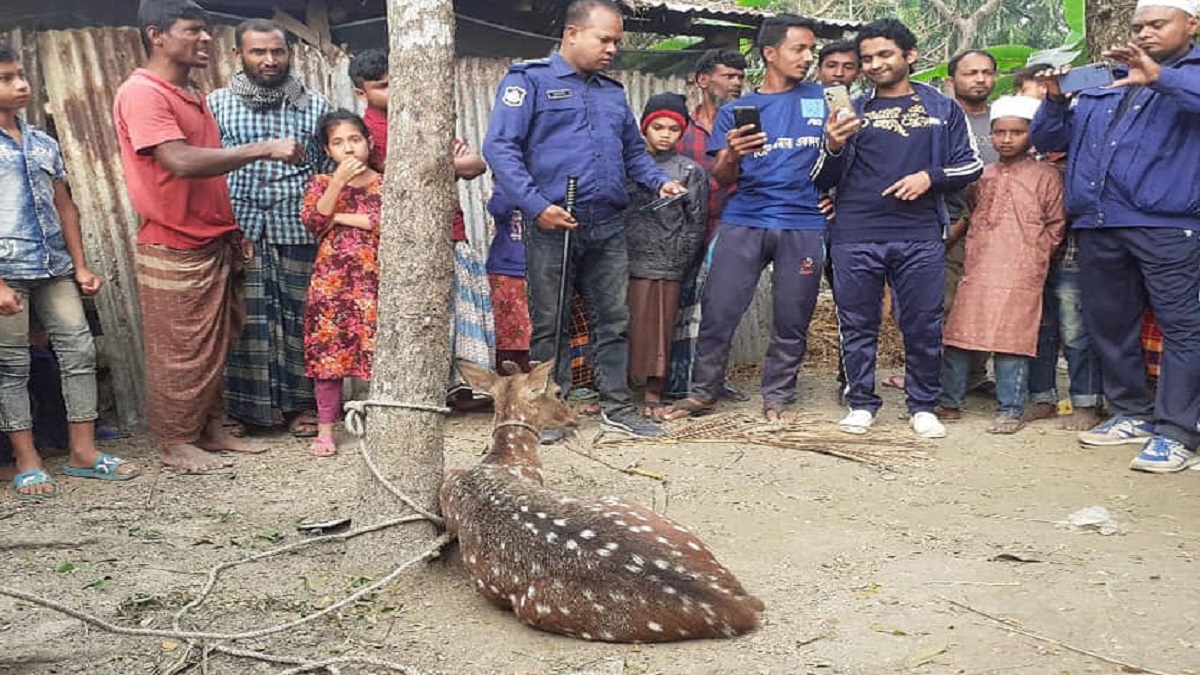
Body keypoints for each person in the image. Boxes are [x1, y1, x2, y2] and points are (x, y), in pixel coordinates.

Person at [482, 0, 685, 441]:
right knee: (550, 323)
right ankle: (550, 414)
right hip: (553, 223)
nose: (613, 49)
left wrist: (658, 183)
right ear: (572, 34)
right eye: (604, 39)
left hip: (609, 223)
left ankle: (616, 405)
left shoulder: (611, 92)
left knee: (614, 318)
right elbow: (500, 149)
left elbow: (634, 153)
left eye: (617, 41)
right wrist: (538, 207)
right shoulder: (529, 81)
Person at [114, 0, 303, 472]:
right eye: (193, 30)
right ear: (157, 35)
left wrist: (230, 227)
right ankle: (176, 442)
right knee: (180, 350)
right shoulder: (144, 93)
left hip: (211, 236)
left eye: (206, 30)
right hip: (174, 240)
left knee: (217, 342)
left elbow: (208, 174)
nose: (204, 39)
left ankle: (212, 430)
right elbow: (178, 161)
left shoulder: (191, 92)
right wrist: (263, 148)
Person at [1031, 0, 1200, 472]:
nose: (1144, 33)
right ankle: (1133, 413)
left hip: (1167, 223)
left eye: (1156, 24)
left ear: (1192, 24)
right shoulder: (1104, 78)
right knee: (1109, 323)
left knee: (1182, 329)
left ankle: (1177, 432)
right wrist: (1055, 100)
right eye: (1138, 26)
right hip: (1100, 222)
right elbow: (1047, 143)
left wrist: (1160, 78)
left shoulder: (1190, 74)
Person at [815, 18, 983, 439]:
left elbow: (971, 164)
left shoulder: (942, 109)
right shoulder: (849, 108)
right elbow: (820, 176)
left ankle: (923, 404)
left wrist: (931, 177)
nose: (874, 64)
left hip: (920, 232)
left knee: (923, 323)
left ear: (910, 56)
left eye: (884, 54)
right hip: (854, 231)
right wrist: (833, 143)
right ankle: (860, 402)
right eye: (867, 58)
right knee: (857, 322)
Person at [661, 14, 830, 422]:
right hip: (745, 219)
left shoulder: (822, 101)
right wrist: (734, 154)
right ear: (770, 54)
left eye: (811, 49)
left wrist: (835, 189)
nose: (808, 57)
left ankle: (778, 396)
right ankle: (703, 392)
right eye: (799, 49)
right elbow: (721, 177)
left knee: (793, 317)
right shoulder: (738, 109)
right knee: (719, 311)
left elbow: (843, 162)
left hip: (803, 223)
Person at [0, 44, 140, 498]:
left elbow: (66, 206)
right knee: (12, 365)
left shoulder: (42, 142)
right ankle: (27, 460)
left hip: (55, 266)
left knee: (78, 352)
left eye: (20, 75)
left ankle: (84, 452)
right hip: (7, 267)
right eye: (6, 78)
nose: (21, 84)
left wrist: (80, 266)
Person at [347, 48, 493, 411]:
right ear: (362, 93)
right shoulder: (361, 134)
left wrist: (440, 164)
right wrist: (444, 164)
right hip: (399, 240)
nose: (394, 92)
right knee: (419, 318)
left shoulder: (427, 119)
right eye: (383, 86)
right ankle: (421, 396)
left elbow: (475, 164)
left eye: (397, 82)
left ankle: (464, 390)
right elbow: (388, 176)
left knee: (459, 311)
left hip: (449, 229)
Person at [208, 19, 331, 439]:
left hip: (297, 227)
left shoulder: (314, 105)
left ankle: (303, 407)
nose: (270, 60)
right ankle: (245, 412)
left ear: (289, 54)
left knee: (301, 318)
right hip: (239, 227)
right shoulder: (216, 105)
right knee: (244, 321)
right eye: (258, 51)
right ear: (238, 55)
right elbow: (206, 169)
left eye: (277, 51)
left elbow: (328, 172)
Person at [939, 96, 1066, 434]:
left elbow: (1056, 225)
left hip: (1023, 270)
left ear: (1032, 134)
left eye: (1017, 132)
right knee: (960, 335)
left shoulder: (1046, 176)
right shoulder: (982, 175)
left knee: (1013, 341)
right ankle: (949, 402)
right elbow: (971, 212)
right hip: (979, 267)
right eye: (999, 132)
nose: (1006, 139)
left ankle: (1010, 409)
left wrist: (1037, 254)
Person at [1018, 71, 1104, 431]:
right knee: (1037, 326)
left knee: (1074, 327)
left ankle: (1085, 399)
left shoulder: (1082, 141)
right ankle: (1042, 395)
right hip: (1030, 255)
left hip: (1070, 251)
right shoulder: (1031, 151)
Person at [666, 48, 748, 404]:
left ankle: (712, 381)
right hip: (683, 231)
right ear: (704, 80)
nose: (736, 83)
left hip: (730, 226)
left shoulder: (747, 127)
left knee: (721, 308)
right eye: (728, 76)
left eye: (740, 77)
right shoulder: (681, 128)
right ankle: (673, 381)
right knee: (678, 304)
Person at [300, 111, 381, 457]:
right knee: (328, 358)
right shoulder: (321, 183)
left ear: (369, 142)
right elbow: (313, 219)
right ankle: (325, 430)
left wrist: (338, 218)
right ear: (328, 150)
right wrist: (335, 184)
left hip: (373, 282)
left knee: (379, 353)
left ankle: (383, 424)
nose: (348, 149)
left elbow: (386, 221)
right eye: (338, 143)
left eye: (355, 140)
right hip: (330, 287)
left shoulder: (386, 182)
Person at [625, 93, 709, 415]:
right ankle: (618, 388)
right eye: (657, 126)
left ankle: (653, 391)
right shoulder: (628, 167)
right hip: (626, 258)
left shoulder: (690, 171)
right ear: (644, 128)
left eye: (674, 129)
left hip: (668, 260)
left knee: (661, 327)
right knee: (623, 323)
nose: (665, 134)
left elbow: (696, 223)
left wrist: (681, 260)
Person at [938, 49, 1000, 404]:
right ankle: (944, 382)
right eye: (970, 73)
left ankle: (976, 376)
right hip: (952, 225)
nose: (980, 79)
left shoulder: (1003, 119)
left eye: (987, 73)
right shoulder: (942, 119)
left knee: (986, 303)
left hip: (998, 230)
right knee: (947, 303)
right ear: (951, 81)